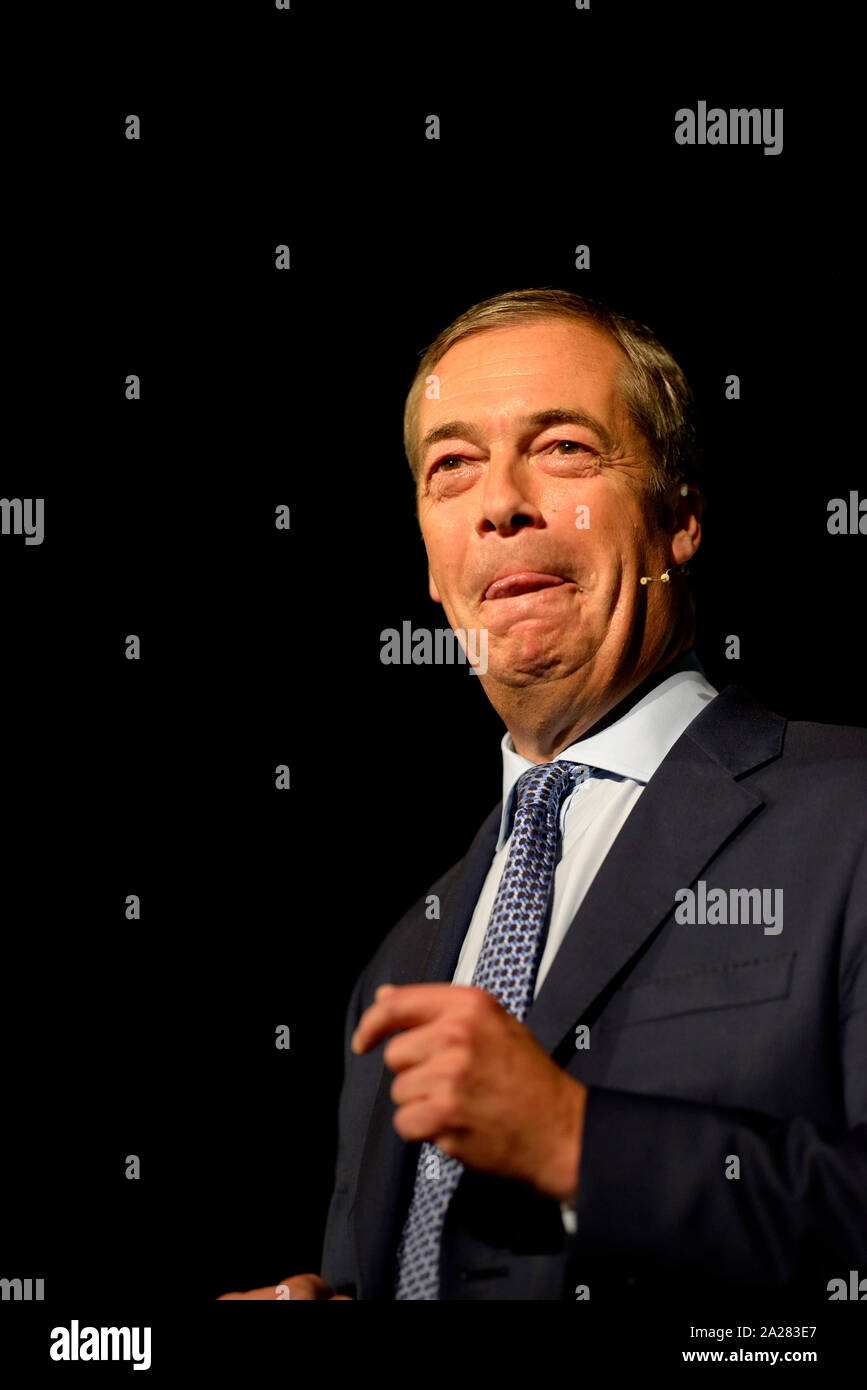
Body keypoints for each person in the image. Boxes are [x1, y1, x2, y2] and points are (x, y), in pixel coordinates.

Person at [217, 289, 867, 1302]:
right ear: (432, 568)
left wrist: (579, 1144)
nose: (501, 503)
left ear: (680, 515)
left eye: (562, 448)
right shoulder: (401, 963)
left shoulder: (851, 815)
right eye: (452, 466)